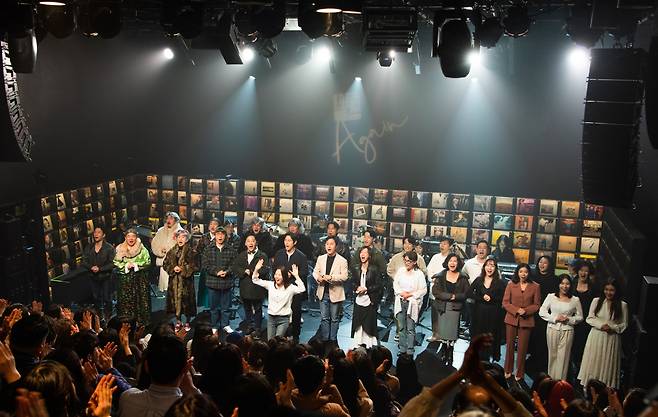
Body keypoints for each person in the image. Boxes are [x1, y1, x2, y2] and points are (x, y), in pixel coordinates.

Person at [119, 335, 200, 417]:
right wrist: (191, 387)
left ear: (146, 366)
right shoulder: (189, 410)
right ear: (185, 369)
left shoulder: (127, 398)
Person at [577, 279, 628, 389]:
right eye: (606, 289)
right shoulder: (597, 301)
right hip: (596, 336)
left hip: (612, 338)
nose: (608, 292)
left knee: (608, 364)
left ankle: (606, 391)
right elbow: (589, 318)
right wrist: (601, 326)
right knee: (594, 361)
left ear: (616, 291)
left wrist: (612, 328)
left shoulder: (622, 305)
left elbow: (624, 324)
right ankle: (589, 389)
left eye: (611, 290)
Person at [539, 274, 584, 380]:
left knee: (563, 358)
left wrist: (569, 319)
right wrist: (554, 318)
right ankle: (550, 381)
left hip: (567, 330)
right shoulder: (551, 296)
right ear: (558, 284)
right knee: (552, 356)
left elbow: (580, 316)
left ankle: (560, 383)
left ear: (570, 285)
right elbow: (542, 311)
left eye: (567, 284)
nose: (565, 286)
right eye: (562, 283)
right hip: (552, 328)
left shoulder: (575, 299)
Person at [502, 263, 540, 385]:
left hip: (526, 320)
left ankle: (519, 373)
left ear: (529, 273)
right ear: (517, 273)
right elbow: (505, 303)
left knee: (523, 349)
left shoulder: (535, 286)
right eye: (521, 272)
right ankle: (507, 370)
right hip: (511, 318)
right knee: (510, 347)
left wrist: (526, 311)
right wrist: (516, 310)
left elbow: (537, 305)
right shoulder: (511, 285)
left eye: (526, 272)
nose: (523, 274)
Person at [432, 253, 470, 365]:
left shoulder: (463, 277)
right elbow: (436, 292)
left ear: (458, 263)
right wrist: (450, 296)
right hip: (442, 307)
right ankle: (444, 352)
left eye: (455, 261)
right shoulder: (440, 276)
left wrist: (456, 297)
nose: (452, 263)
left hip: (455, 309)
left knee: (452, 333)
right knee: (443, 332)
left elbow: (467, 293)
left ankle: (451, 353)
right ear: (447, 262)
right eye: (450, 261)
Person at [252, 260, 306, 339]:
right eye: (276, 274)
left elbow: (302, 289)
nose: (277, 277)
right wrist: (256, 269)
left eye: (279, 275)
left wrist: (296, 276)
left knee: (277, 341)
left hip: (283, 319)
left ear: (284, 276)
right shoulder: (270, 285)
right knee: (270, 340)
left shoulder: (290, 288)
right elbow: (255, 280)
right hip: (271, 318)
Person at [467, 257, 506, 361]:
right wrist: (480, 298)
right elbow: (469, 293)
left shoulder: (501, 282)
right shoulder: (478, 280)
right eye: (488, 265)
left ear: (496, 268)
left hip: (494, 314)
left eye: (492, 266)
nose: (490, 268)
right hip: (479, 313)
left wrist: (492, 298)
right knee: (479, 335)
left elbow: (504, 297)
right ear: (484, 267)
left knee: (491, 336)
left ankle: (490, 360)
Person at [272, 232, 309, 343]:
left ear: (295, 242)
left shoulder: (301, 256)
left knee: (296, 312)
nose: (286, 243)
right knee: (282, 311)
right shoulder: (279, 254)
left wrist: (292, 275)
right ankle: (282, 334)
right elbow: (274, 269)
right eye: (285, 240)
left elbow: (305, 272)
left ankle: (296, 335)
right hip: (281, 288)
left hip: (294, 288)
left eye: (289, 241)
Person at [527, 255, 560, 378]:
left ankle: (544, 365)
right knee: (533, 337)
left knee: (544, 339)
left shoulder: (555, 279)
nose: (542, 265)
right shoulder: (532, 277)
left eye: (545, 263)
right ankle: (532, 363)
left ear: (550, 265)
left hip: (549, 313)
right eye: (540, 262)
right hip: (533, 311)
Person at [201, 227, 238, 335]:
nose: (220, 236)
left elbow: (234, 264)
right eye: (218, 234)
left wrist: (227, 272)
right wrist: (216, 272)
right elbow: (205, 265)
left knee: (226, 307)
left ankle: (225, 325)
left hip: (226, 282)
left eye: (222, 234)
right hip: (212, 281)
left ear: (225, 236)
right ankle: (214, 325)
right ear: (215, 236)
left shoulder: (230, 249)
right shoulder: (208, 249)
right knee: (214, 307)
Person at [232, 232, 269, 335]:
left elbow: (265, 270)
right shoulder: (242, 255)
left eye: (252, 241)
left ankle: (257, 328)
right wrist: (244, 271)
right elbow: (235, 267)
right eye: (248, 241)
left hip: (257, 288)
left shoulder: (262, 255)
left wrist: (253, 271)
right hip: (245, 286)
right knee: (247, 308)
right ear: (245, 243)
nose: (250, 243)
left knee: (258, 309)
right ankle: (249, 325)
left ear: (256, 243)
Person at [314, 236, 349, 346]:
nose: (329, 246)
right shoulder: (321, 258)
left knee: (334, 319)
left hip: (335, 293)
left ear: (336, 246)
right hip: (322, 292)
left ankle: (333, 340)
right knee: (324, 318)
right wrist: (318, 278)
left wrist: (331, 277)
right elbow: (315, 272)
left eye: (331, 244)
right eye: (327, 244)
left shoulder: (342, 260)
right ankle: (325, 339)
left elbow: (344, 276)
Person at [114, 229, 151, 325]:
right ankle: (127, 321)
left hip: (139, 280)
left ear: (136, 237)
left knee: (140, 300)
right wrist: (126, 265)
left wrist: (135, 264)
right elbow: (116, 262)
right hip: (125, 281)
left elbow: (147, 262)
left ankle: (140, 321)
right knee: (126, 301)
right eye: (129, 236)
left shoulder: (142, 249)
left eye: (133, 236)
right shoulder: (120, 249)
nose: (131, 238)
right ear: (125, 238)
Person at [393, 251, 427, 356]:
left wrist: (411, 294)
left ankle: (410, 350)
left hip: (412, 303)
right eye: (405, 260)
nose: (407, 263)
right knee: (401, 327)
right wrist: (401, 293)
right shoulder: (400, 271)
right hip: (400, 300)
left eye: (409, 261)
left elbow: (423, 290)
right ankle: (402, 349)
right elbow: (395, 284)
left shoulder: (419, 274)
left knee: (410, 328)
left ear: (415, 262)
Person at [81, 227, 116, 322]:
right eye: (95, 232)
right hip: (93, 277)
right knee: (96, 298)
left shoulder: (109, 248)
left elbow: (112, 263)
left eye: (99, 232)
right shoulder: (89, 247)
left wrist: (100, 269)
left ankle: (108, 318)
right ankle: (98, 318)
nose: (96, 234)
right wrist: (91, 267)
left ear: (103, 235)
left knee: (107, 298)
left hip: (106, 277)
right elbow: (83, 261)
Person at [163, 229, 197, 325]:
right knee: (175, 301)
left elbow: (195, 265)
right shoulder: (171, 251)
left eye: (183, 237)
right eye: (178, 237)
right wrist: (173, 268)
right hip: (174, 280)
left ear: (186, 239)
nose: (180, 239)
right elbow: (165, 264)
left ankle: (187, 321)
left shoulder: (191, 252)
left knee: (186, 301)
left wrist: (183, 269)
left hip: (186, 282)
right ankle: (178, 321)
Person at [351, 246, 383, 347]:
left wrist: (367, 289)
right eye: (361, 252)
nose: (362, 254)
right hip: (359, 299)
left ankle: (369, 344)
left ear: (369, 255)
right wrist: (357, 288)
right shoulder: (356, 268)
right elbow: (352, 283)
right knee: (358, 322)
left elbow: (379, 285)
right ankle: (358, 343)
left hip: (370, 299)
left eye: (365, 252)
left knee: (369, 322)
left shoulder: (374, 269)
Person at [572, 259, 598, 373]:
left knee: (582, 347)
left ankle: (580, 371)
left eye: (586, 271)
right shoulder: (571, 283)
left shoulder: (593, 287)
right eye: (581, 270)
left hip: (585, 323)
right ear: (577, 271)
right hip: (572, 320)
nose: (583, 273)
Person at [426, 235, 453, 342]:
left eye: (445, 243)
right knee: (435, 314)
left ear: (450, 246)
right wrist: (433, 279)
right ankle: (435, 334)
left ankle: (445, 336)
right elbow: (429, 271)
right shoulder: (435, 257)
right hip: (435, 290)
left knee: (446, 314)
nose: (442, 245)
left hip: (447, 291)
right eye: (441, 243)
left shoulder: (452, 258)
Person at [152, 212, 184, 293]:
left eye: (171, 218)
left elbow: (183, 247)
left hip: (176, 264)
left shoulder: (181, 232)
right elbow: (155, 244)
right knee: (165, 289)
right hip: (164, 263)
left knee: (176, 289)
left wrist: (170, 251)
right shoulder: (160, 231)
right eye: (167, 218)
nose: (169, 220)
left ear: (176, 220)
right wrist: (160, 251)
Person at [194, 217, 220, 307]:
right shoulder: (204, 237)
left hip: (217, 267)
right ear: (208, 227)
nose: (213, 226)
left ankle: (214, 307)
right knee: (204, 288)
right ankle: (206, 307)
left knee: (215, 288)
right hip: (205, 267)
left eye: (215, 224)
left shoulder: (220, 237)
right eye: (211, 224)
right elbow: (198, 251)